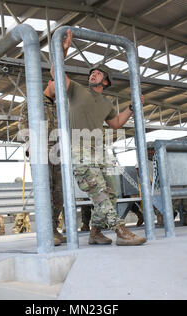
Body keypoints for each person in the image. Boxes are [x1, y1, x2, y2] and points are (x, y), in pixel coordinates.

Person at [56, 29, 146, 246]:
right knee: (98, 192)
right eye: (91, 73)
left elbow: (116, 123)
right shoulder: (77, 90)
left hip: (99, 150)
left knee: (111, 193)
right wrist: (64, 49)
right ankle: (121, 230)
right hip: (79, 148)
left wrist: (132, 108)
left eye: (97, 73)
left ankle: (95, 232)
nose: (92, 74)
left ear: (105, 81)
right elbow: (56, 73)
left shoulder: (106, 103)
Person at [18, 79, 66, 245]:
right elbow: (22, 123)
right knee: (46, 193)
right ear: (50, 82)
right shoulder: (34, 100)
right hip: (40, 152)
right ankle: (46, 232)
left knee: (59, 194)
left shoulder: (59, 105)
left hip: (57, 153)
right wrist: (30, 144)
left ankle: (53, 229)